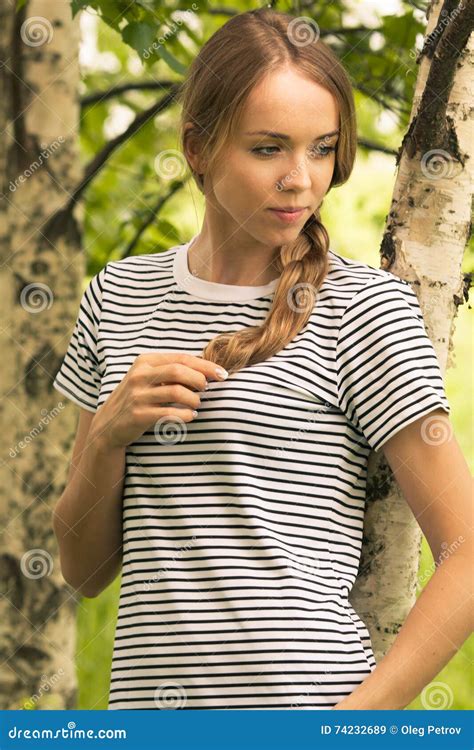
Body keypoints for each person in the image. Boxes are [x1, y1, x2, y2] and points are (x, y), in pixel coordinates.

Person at [52, 8, 472, 710]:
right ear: (197, 147)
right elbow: (83, 568)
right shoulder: (118, 296)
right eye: (269, 149)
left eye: (322, 148)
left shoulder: (362, 309)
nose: (301, 181)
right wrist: (109, 435)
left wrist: (351, 725)